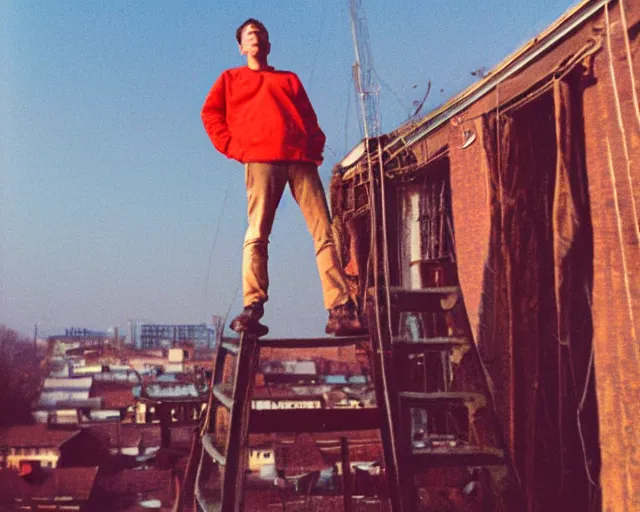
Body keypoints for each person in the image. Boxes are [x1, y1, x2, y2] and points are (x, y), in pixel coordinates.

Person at [201, 18, 364, 337]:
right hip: (261, 158)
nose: (257, 37)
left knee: (325, 231)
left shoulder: (288, 79)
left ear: (269, 44)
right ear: (241, 47)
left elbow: (309, 118)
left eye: (261, 33)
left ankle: (339, 307)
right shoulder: (230, 78)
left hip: (299, 160)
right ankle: (253, 305)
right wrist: (235, 147)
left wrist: (313, 147)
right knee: (258, 230)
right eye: (250, 34)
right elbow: (210, 114)